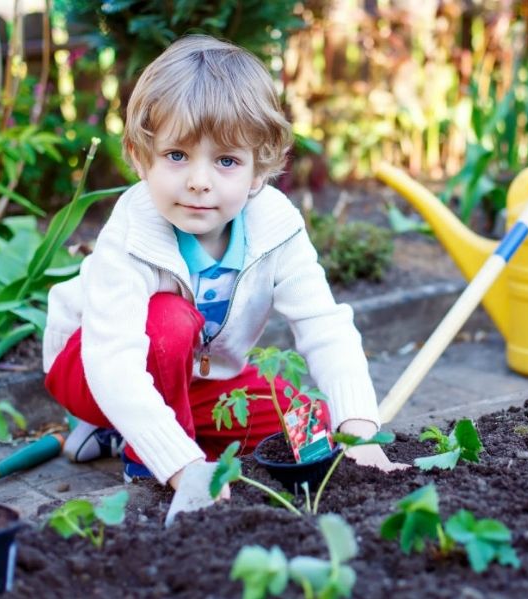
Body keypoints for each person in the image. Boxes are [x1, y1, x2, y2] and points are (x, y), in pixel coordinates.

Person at [42, 34, 407, 524]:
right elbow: (113, 364)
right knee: (169, 320)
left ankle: (168, 428)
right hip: (91, 367)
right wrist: (185, 468)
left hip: (200, 377)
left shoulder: (275, 226)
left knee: (311, 431)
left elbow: (325, 326)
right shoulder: (132, 234)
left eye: (226, 161)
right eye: (176, 155)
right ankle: (137, 448)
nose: (199, 180)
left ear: (260, 170)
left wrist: (360, 435)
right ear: (139, 154)